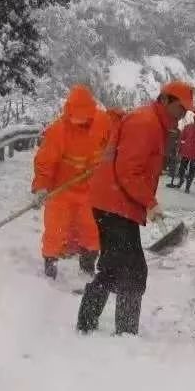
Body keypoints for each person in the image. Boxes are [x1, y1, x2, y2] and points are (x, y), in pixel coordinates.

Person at [76, 80, 195, 335]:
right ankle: (126, 334)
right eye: (181, 108)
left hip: (114, 202)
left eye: (187, 110)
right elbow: (129, 171)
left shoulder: (154, 122)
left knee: (113, 267)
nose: (184, 114)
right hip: (115, 203)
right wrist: (149, 203)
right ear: (165, 100)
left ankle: (87, 323)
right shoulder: (146, 123)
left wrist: (147, 203)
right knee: (133, 271)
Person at [32, 85, 112, 279]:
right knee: (55, 231)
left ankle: (87, 270)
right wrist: (41, 187)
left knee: (91, 231)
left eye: (85, 115)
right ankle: (50, 269)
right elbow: (45, 162)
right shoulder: (58, 131)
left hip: (90, 191)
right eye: (77, 115)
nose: (81, 120)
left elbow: (117, 134)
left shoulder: (103, 122)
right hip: (61, 190)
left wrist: (111, 153)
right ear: (70, 110)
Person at [171, 112, 195, 192]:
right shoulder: (187, 127)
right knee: (181, 169)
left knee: (191, 172)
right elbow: (181, 138)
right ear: (194, 120)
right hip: (186, 152)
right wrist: (179, 148)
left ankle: (187, 187)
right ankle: (181, 180)